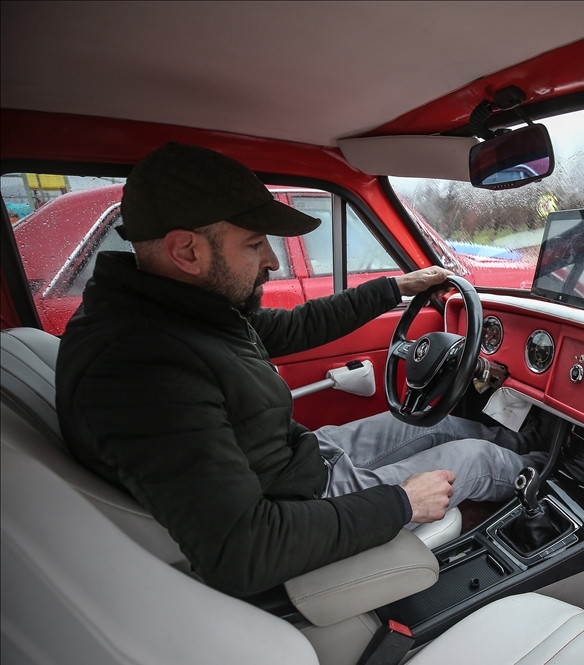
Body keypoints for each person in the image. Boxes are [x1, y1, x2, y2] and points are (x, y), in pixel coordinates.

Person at [55, 142, 545, 597]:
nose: (272, 260)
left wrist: (395, 288)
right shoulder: (142, 369)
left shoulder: (182, 309)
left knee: (442, 425)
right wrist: (403, 502)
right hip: (298, 502)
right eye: (254, 244)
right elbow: (243, 549)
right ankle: (552, 485)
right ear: (187, 251)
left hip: (299, 461)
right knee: (475, 459)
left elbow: (292, 327)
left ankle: (531, 451)